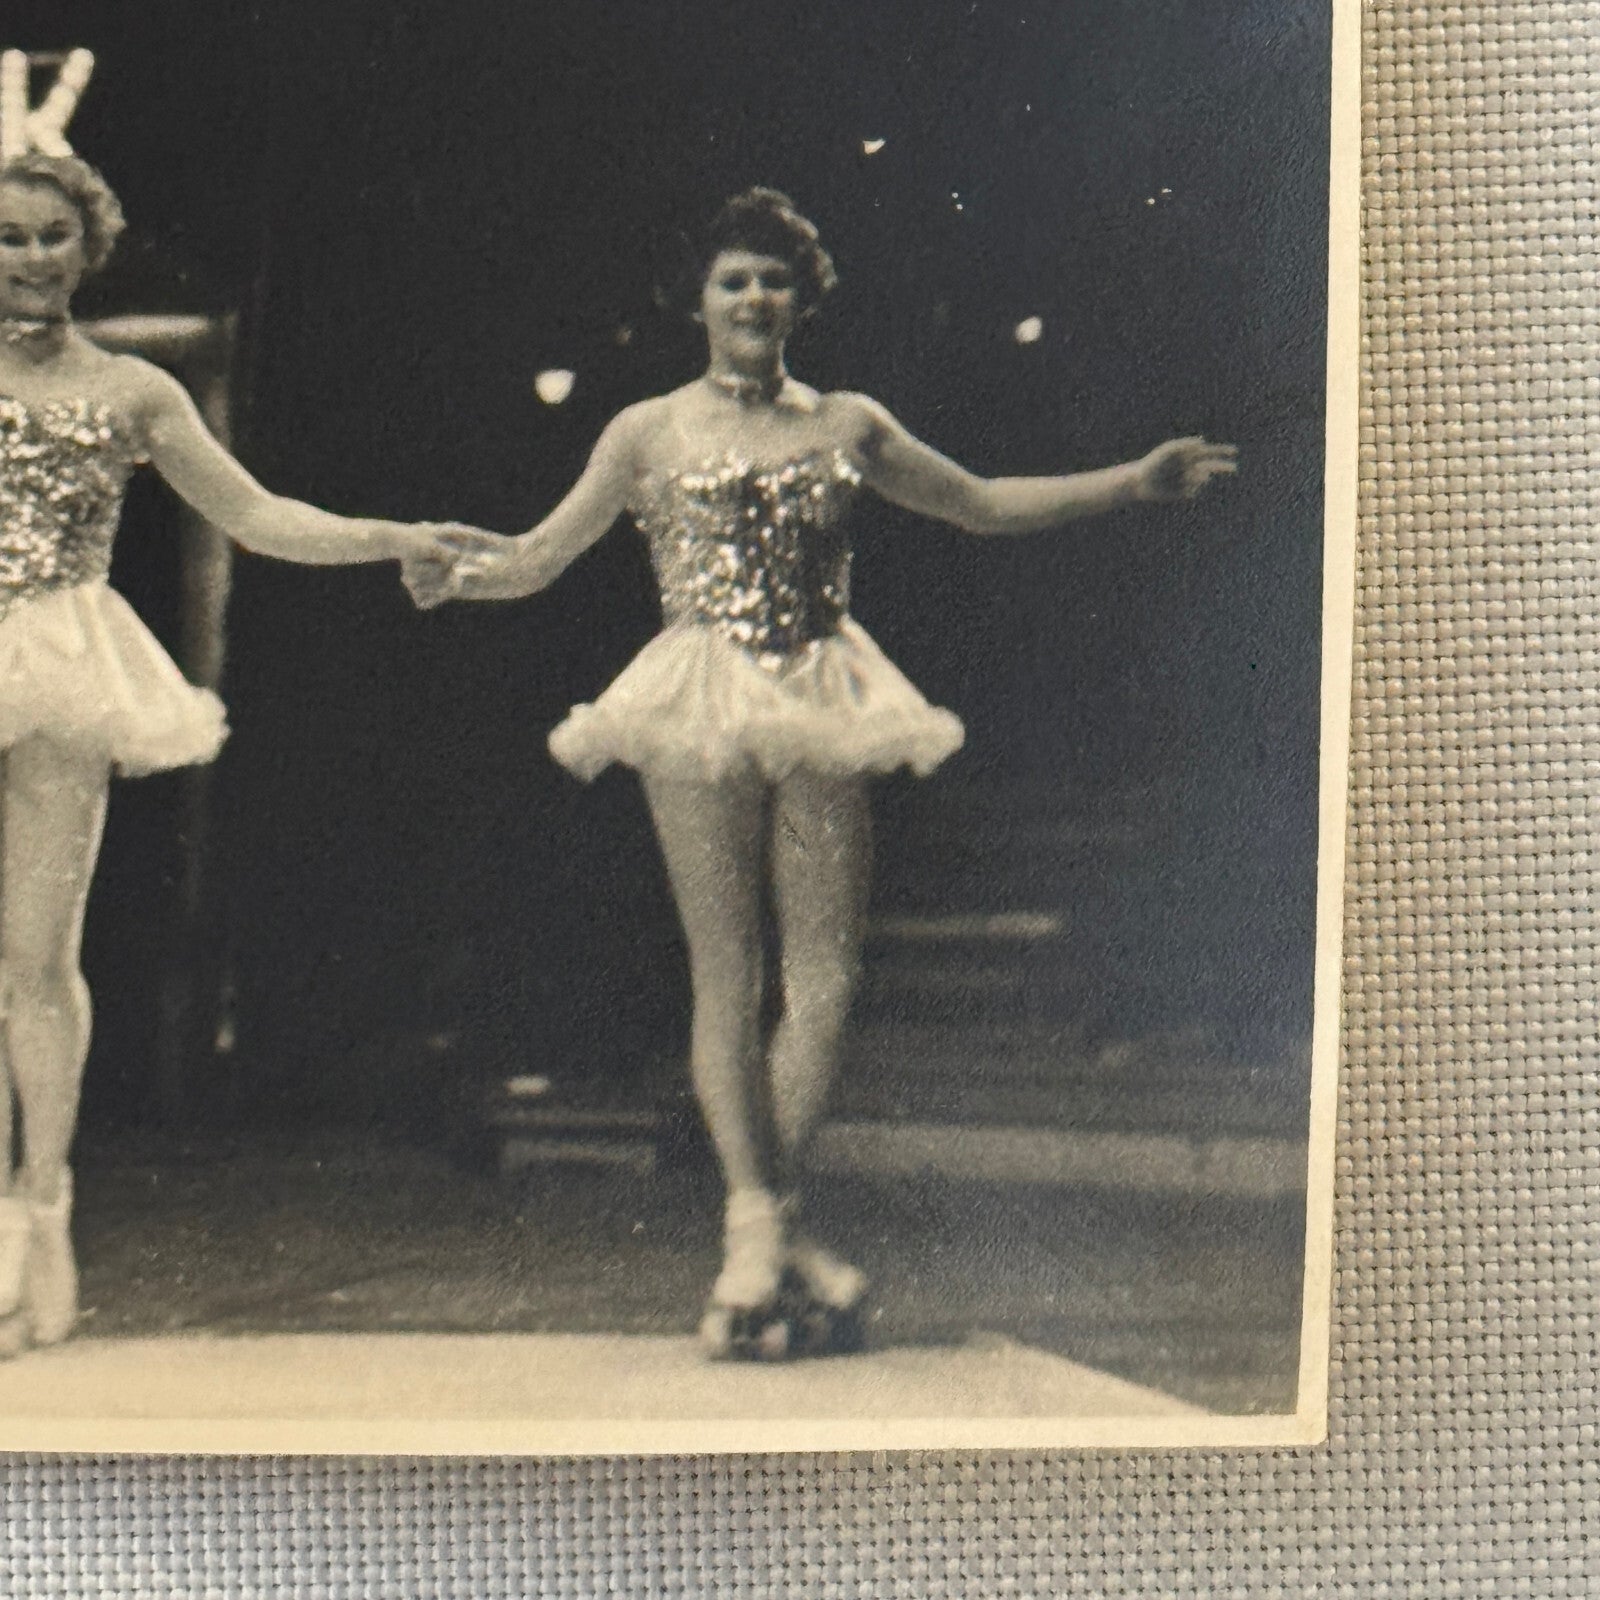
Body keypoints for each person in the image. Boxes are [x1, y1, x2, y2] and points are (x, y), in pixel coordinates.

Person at [416, 187, 1237, 1358]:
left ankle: (766, 1229)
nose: (754, 297)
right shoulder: (645, 430)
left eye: (773, 279)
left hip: (818, 694)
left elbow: (980, 503)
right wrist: (460, 573)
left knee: (828, 974)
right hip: (698, 697)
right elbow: (541, 555)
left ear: (803, 297)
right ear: (697, 302)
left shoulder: (847, 423)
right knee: (728, 969)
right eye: (732, 279)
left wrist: (1129, 482)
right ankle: (764, 1235)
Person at [0, 144, 466, 1359]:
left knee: (36, 958)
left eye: (53, 236)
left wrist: (390, 534)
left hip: (59, 668)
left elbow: (261, 518)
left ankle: (38, 1209)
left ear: (87, 249)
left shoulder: (133, 390)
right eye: (9, 235)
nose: (33, 258)